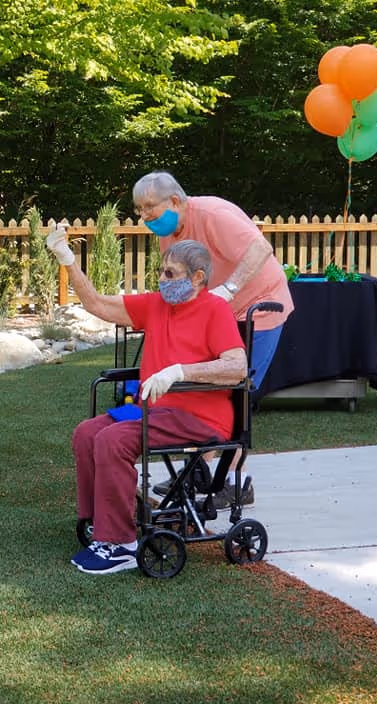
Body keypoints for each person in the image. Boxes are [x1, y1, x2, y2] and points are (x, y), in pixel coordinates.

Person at [46, 233, 247, 574]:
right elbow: (96, 303)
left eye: (171, 273)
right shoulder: (155, 304)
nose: (161, 279)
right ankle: (103, 526)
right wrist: (67, 259)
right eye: (160, 272)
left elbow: (236, 366)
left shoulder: (215, 309)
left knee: (113, 440)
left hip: (197, 415)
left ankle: (122, 544)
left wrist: (180, 372)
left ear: (197, 277)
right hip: (154, 409)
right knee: (86, 433)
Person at [131, 171, 294, 508]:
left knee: (237, 394)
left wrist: (229, 288)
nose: (143, 216)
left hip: (257, 309)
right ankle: (199, 471)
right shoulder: (170, 231)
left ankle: (235, 483)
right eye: (139, 209)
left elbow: (260, 248)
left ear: (174, 201)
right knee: (204, 392)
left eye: (149, 207)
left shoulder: (213, 215)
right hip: (216, 313)